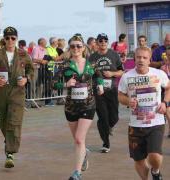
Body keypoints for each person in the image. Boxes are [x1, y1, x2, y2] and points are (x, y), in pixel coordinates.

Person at [52, 35, 103, 180]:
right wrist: (65, 85)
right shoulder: (65, 65)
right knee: (77, 140)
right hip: (71, 107)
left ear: (83, 48)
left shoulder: (91, 64)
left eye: (78, 46)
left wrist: (99, 85)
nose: (76, 49)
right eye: (73, 46)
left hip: (88, 105)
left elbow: (98, 75)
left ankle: (77, 173)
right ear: (69, 48)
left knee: (80, 139)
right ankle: (84, 153)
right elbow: (53, 83)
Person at [118, 46, 170, 180]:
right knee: (139, 160)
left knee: (155, 155)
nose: (141, 60)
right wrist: (128, 101)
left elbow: (168, 87)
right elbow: (120, 96)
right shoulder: (126, 76)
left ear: (149, 60)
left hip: (156, 122)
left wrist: (165, 103)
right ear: (134, 58)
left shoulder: (158, 74)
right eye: (138, 57)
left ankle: (156, 171)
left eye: (144, 57)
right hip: (135, 125)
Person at [0, 26, 34, 168]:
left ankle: (10, 153)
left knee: (14, 121)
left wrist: (26, 79)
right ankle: (8, 141)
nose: (10, 40)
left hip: (17, 93)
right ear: (4, 39)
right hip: (2, 93)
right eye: (7, 38)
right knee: (4, 121)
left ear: (16, 38)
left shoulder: (23, 54)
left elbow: (31, 69)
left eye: (13, 38)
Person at [89, 33, 124, 153]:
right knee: (103, 117)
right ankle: (106, 143)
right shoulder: (92, 57)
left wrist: (112, 74)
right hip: (98, 91)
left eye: (105, 40)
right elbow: (88, 73)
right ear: (97, 43)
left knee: (114, 117)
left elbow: (121, 71)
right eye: (100, 40)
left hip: (112, 89)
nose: (103, 42)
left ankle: (107, 127)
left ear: (107, 42)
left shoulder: (114, 54)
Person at [160, 46, 170, 137]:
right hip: (167, 93)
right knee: (168, 112)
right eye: (167, 55)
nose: (169, 56)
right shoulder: (163, 68)